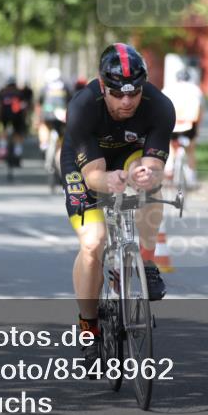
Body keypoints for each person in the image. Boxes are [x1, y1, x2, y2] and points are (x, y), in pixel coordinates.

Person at [61, 43, 175, 367]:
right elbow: (95, 176)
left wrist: (145, 174)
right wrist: (108, 181)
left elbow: (155, 164)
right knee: (94, 241)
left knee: (152, 184)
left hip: (128, 154)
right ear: (102, 86)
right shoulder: (83, 106)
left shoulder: (160, 107)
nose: (127, 101)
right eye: (117, 94)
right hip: (85, 164)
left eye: (134, 93)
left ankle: (147, 264)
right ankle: (89, 326)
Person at [161, 67, 204, 188]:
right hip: (189, 124)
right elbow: (201, 110)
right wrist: (198, 127)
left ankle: (169, 169)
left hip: (172, 124)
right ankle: (191, 178)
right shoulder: (196, 90)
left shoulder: (168, 89)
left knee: (170, 146)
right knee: (190, 149)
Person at [36, 67, 70, 154]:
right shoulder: (65, 87)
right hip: (62, 114)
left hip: (48, 113)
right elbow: (71, 99)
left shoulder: (44, 88)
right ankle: (62, 148)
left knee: (43, 125)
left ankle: (44, 143)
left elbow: (40, 102)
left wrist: (38, 118)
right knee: (63, 132)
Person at [0, 77, 27, 163]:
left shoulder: (2, 92)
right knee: (18, 134)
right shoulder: (20, 93)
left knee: (3, 131)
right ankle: (18, 152)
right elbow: (24, 107)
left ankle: (2, 149)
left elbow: (0, 106)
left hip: (5, 116)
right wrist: (24, 118)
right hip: (17, 117)